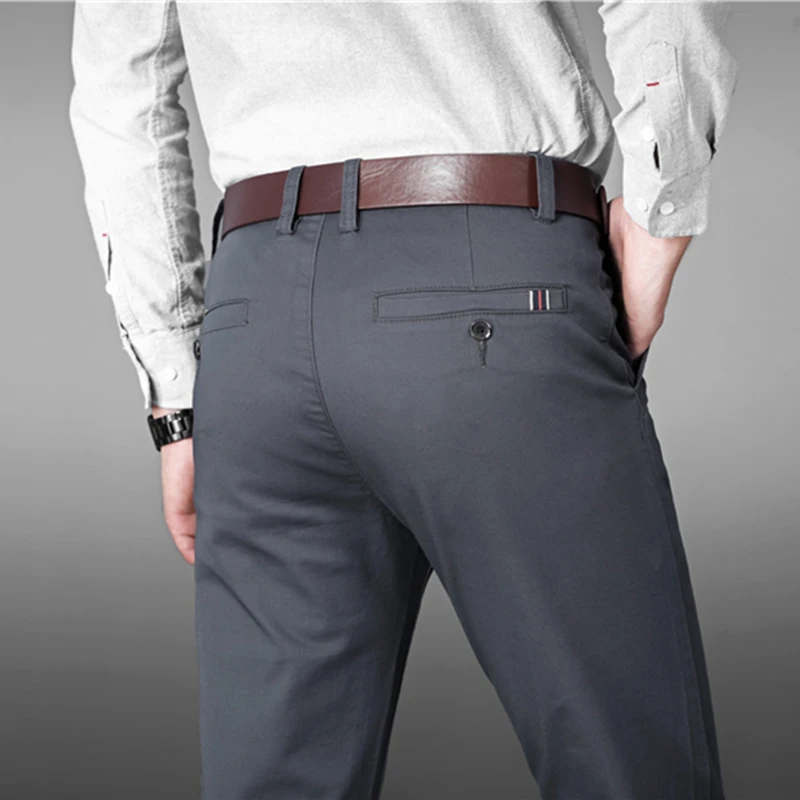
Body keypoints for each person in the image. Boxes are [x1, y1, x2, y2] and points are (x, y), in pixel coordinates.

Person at [69, 2, 738, 798]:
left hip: (256, 318)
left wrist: (176, 399)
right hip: (492, 273)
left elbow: (122, 87)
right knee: (630, 771)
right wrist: (661, 217)